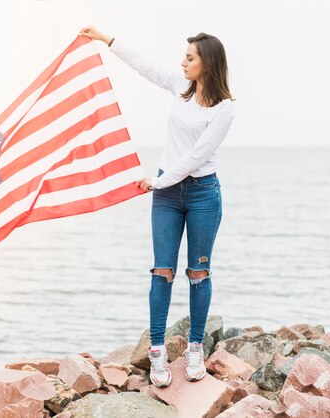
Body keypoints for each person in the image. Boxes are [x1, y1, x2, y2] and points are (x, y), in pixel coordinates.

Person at [79, 26, 235, 387]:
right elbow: (144, 66)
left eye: (190, 57)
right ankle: (157, 352)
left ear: (207, 64)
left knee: (198, 273)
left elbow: (197, 156)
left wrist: (159, 180)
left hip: (201, 194)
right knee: (162, 272)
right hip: (167, 195)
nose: (183, 62)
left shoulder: (224, 111)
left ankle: (195, 347)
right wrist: (107, 39)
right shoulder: (180, 91)